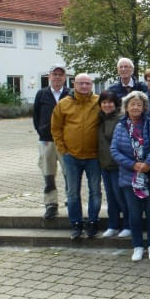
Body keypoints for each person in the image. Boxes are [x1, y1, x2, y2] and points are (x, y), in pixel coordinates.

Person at [110, 91, 150, 261]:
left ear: (144, 108)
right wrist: (132, 164)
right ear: (126, 107)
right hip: (129, 176)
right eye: (132, 104)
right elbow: (114, 150)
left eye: (139, 104)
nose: (135, 107)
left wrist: (147, 163)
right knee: (134, 214)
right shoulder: (120, 126)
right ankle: (137, 246)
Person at [51, 73, 101, 239]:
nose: (85, 86)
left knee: (95, 191)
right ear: (74, 84)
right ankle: (76, 224)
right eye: (81, 83)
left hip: (94, 156)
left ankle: (93, 222)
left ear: (91, 85)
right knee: (72, 192)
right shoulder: (64, 104)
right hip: (71, 156)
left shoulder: (98, 102)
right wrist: (63, 149)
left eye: (88, 83)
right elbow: (56, 128)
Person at [33, 64, 70, 219]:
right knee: (48, 175)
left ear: (65, 78)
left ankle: (71, 200)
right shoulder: (41, 94)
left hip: (67, 142)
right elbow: (36, 116)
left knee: (69, 174)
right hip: (47, 141)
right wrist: (42, 131)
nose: (57, 77)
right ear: (49, 77)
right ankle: (51, 204)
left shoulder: (71, 94)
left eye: (60, 75)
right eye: (54, 74)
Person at [97, 90, 130, 239]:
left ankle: (128, 225)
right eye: (104, 102)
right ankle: (113, 225)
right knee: (110, 197)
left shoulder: (121, 119)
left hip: (118, 165)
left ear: (116, 103)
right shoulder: (100, 118)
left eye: (110, 102)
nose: (107, 105)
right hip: (105, 164)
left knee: (121, 197)